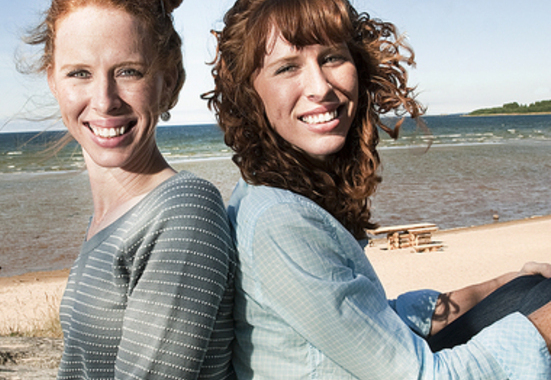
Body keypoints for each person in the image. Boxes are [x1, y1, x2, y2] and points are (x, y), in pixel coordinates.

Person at [204, 0, 551, 378]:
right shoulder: (279, 220)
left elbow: (371, 317)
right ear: (249, 94)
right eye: (288, 67)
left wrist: (502, 284)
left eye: (332, 58)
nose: (320, 87)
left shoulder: (284, 196)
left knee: (529, 291)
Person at [23, 0, 235, 378]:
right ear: (53, 81)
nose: (105, 100)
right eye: (79, 74)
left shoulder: (183, 210)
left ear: (168, 83)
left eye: (128, 72)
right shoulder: (113, 217)